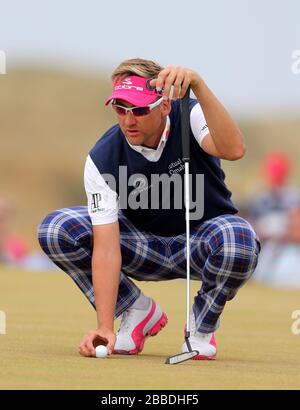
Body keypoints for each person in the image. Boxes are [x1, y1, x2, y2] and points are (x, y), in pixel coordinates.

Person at [38, 58, 260, 360]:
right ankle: (136, 309)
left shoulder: (191, 114)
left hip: (200, 243)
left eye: (140, 110)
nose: (129, 121)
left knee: (239, 239)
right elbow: (105, 247)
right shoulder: (102, 158)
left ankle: (201, 328)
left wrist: (198, 85)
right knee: (57, 229)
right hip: (141, 246)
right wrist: (104, 326)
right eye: (121, 109)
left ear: (164, 106)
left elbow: (234, 149)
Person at [245, 152, 300, 288]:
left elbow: (297, 232)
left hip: (289, 251)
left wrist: (283, 234)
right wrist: (263, 232)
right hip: (264, 250)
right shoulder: (259, 198)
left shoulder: (294, 197)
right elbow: (249, 228)